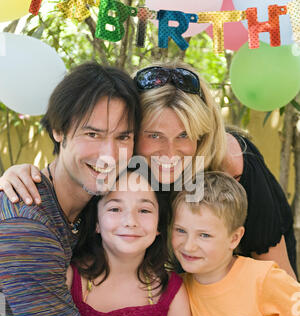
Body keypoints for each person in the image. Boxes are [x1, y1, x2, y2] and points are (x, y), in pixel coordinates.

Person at [1, 62, 296, 278]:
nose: (169, 153)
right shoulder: (120, 166)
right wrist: (23, 174)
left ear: (202, 136)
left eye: (184, 135)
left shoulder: (232, 163)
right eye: (154, 135)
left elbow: (282, 282)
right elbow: (75, 167)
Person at [0, 62, 177, 316]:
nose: (109, 155)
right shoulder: (27, 225)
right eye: (92, 134)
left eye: (123, 137)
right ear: (59, 130)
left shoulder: (92, 212)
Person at [9, 167, 206, 316]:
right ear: (96, 223)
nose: (130, 221)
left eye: (144, 210)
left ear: (158, 227)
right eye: (115, 208)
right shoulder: (70, 279)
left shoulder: (169, 290)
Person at [171, 171, 300, 316]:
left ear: (234, 238)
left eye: (204, 235)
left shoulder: (262, 278)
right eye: (181, 230)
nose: (188, 245)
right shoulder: (181, 292)